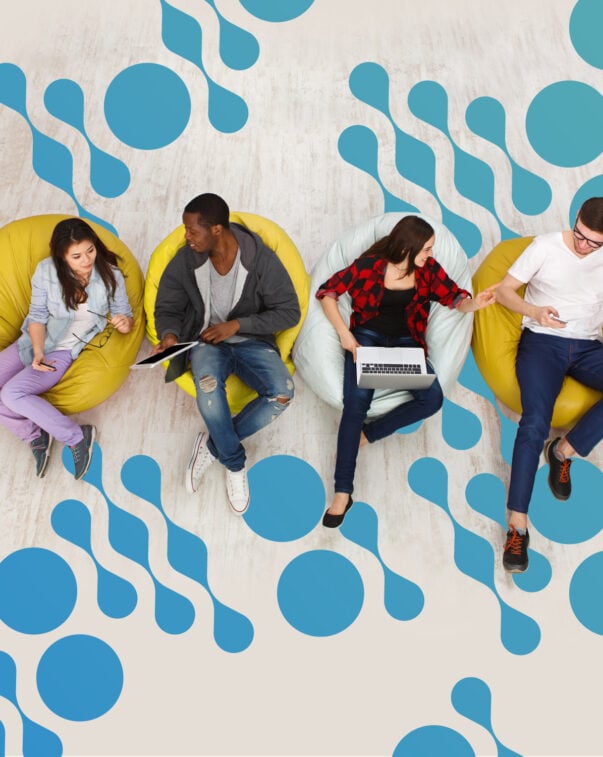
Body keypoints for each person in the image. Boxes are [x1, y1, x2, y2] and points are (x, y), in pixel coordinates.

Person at [316, 215, 495, 527]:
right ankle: (342, 492)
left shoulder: (429, 271)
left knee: (432, 399)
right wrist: (346, 335)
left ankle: (367, 435)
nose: (430, 255)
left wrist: (475, 304)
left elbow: (455, 299)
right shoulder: (369, 266)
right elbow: (328, 292)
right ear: (406, 249)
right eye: (425, 250)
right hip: (367, 339)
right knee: (355, 404)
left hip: (406, 344)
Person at [152, 193, 300, 514]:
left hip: (251, 341)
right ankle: (234, 464)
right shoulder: (186, 259)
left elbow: (289, 311)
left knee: (283, 394)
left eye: (193, 231)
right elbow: (167, 305)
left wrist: (236, 325)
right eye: (185, 230)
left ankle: (211, 447)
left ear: (217, 229)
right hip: (205, 342)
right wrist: (169, 336)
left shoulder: (260, 261)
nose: (186, 237)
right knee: (207, 388)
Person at [495, 197, 603, 573]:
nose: (583, 246)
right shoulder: (544, 246)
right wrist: (535, 311)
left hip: (589, 345)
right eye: (580, 236)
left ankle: (564, 450)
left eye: (594, 243)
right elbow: (505, 291)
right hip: (543, 342)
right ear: (575, 221)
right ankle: (517, 526)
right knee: (534, 421)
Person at [0, 218, 134, 479]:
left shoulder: (110, 277)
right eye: (76, 256)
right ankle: (35, 435)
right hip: (32, 342)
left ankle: (76, 436)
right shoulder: (46, 272)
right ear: (61, 256)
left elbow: (126, 318)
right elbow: (37, 315)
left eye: (90, 251)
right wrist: (37, 351)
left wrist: (123, 323)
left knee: (11, 395)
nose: (86, 260)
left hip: (62, 352)